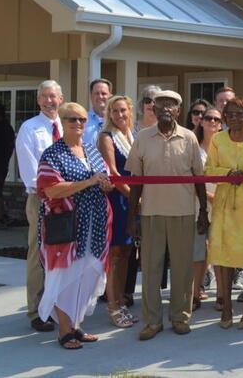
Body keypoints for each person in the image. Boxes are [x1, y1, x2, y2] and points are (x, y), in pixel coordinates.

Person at [125, 90, 208, 341]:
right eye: (159, 104)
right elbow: (135, 180)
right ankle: (152, 321)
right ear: (152, 108)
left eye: (170, 105)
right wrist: (132, 216)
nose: (164, 108)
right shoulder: (142, 137)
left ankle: (180, 317)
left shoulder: (190, 138)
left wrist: (203, 210)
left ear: (178, 110)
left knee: (182, 268)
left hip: (183, 211)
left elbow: (199, 178)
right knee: (151, 267)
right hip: (151, 212)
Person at [35, 102, 112, 350]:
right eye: (72, 119)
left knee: (86, 274)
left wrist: (104, 184)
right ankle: (64, 331)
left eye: (81, 120)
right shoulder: (53, 153)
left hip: (94, 224)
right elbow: (50, 189)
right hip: (66, 227)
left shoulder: (91, 149)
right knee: (63, 277)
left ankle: (76, 326)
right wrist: (89, 182)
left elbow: (104, 176)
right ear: (62, 121)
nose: (78, 124)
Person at [206, 98, 243, 330]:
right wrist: (228, 172)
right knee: (223, 254)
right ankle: (226, 305)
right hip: (225, 204)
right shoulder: (218, 139)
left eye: (240, 114)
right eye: (229, 114)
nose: (234, 118)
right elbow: (208, 170)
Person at [16, 79, 64, 332]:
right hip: (41, 199)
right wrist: (53, 193)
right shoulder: (29, 128)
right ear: (38, 100)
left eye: (53, 96)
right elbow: (29, 171)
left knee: (62, 254)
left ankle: (57, 306)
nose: (49, 101)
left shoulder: (66, 127)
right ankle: (36, 311)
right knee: (39, 255)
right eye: (44, 96)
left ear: (61, 99)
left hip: (68, 198)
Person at [96, 95, 137, 328]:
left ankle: (121, 301)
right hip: (118, 199)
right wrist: (134, 198)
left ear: (130, 111)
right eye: (114, 111)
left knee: (127, 253)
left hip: (132, 199)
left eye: (123, 110)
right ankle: (112, 306)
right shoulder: (106, 137)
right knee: (115, 255)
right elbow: (112, 171)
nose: (119, 115)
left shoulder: (132, 136)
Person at [192, 108, 221, 309]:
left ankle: (222, 294)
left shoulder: (225, 146)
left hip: (221, 207)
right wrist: (209, 198)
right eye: (207, 118)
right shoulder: (193, 147)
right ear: (201, 122)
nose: (211, 121)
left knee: (218, 252)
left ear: (221, 124)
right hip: (197, 206)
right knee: (198, 252)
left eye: (216, 119)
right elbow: (190, 179)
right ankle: (194, 293)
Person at [83, 79, 112, 146]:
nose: (100, 96)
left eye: (103, 93)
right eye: (96, 93)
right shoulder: (82, 120)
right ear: (91, 96)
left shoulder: (116, 120)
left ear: (110, 96)